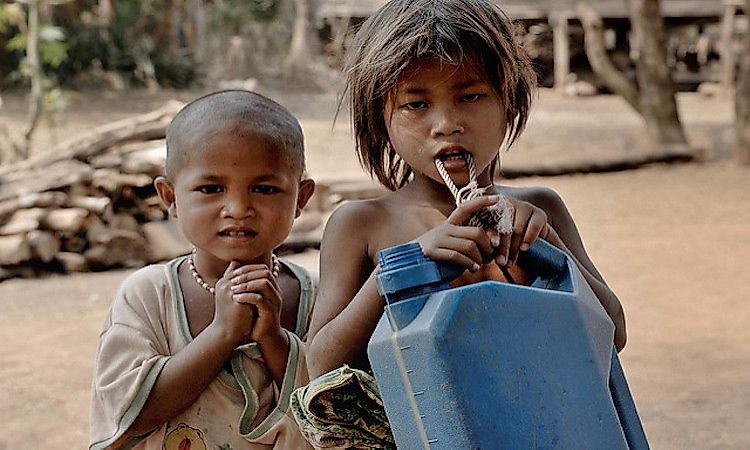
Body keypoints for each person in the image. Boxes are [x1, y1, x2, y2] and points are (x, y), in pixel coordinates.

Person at [306, 0, 626, 381]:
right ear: (381, 121)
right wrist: (404, 266)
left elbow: (614, 332)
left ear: (509, 102)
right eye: (416, 104)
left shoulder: (541, 209)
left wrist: (546, 244)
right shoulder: (361, 225)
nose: (446, 124)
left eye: (470, 97)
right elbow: (320, 366)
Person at [89, 90, 317, 450]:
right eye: (211, 188)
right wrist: (223, 332)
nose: (239, 208)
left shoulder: (315, 295)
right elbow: (129, 415)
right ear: (170, 198)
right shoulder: (148, 296)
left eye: (264, 188)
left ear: (301, 199)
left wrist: (273, 338)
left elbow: (333, 415)